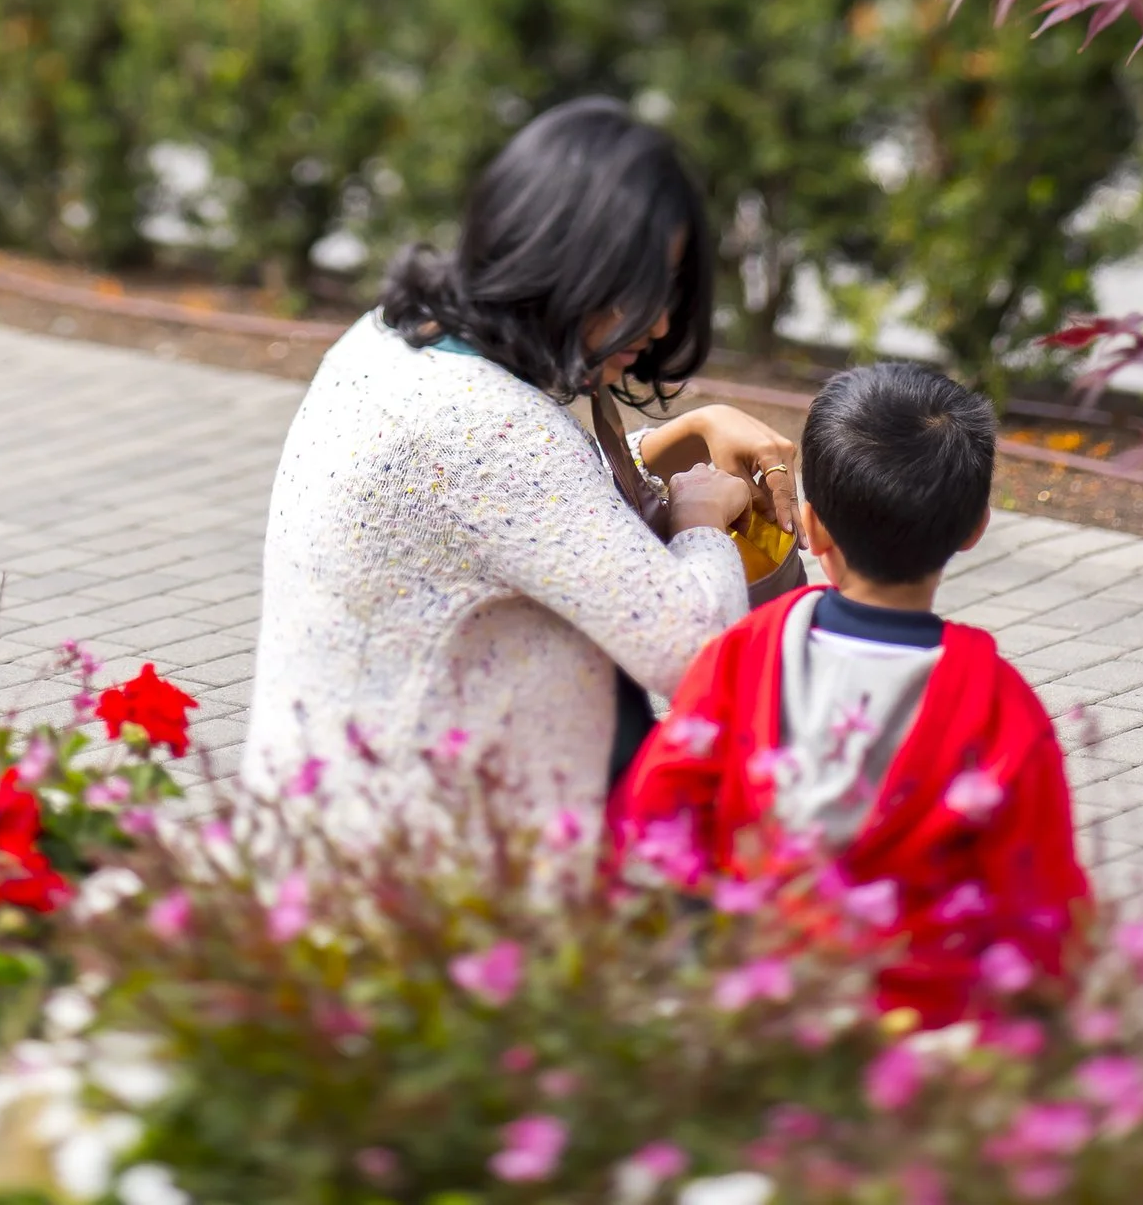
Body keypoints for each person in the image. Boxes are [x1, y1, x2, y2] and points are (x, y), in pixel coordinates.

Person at [247, 98, 804, 818]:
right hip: (412, 855)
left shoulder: (392, 338)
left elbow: (517, 512)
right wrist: (699, 520)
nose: (662, 322)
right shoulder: (488, 428)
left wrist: (672, 441)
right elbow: (695, 654)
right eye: (639, 292)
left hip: (333, 806)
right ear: (561, 263)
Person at [610, 362, 1092, 1027]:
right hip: (917, 1030)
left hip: (753, 1004)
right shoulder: (1000, 703)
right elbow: (1040, 902)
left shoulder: (742, 656)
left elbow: (657, 812)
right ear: (975, 529)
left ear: (810, 527)